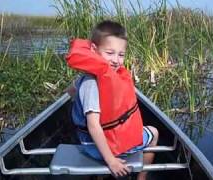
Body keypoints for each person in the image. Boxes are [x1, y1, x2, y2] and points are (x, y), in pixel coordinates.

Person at [67, 20, 159, 180]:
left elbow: (70, 92)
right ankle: (142, 178)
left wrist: (76, 89)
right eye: (109, 53)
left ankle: (101, 176)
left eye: (121, 54)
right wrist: (111, 161)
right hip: (96, 147)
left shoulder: (87, 78)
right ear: (94, 50)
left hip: (91, 143)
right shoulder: (92, 84)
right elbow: (93, 125)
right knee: (154, 132)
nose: (116, 60)